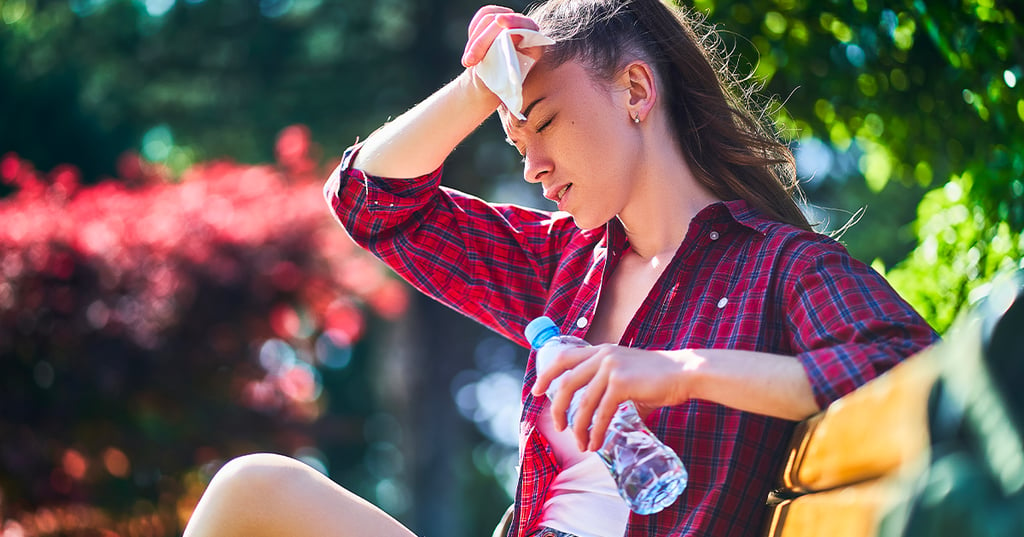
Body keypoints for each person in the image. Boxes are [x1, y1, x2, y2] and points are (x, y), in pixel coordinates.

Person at [182, 1, 939, 537]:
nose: (535, 166)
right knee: (253, 488)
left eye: (542, 123)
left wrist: (683, 370)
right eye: (517, 142)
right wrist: (484, 84)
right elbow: (370, 203)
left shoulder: (780, 267)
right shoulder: (567, 264)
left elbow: (910, 369)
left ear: (637, 91)